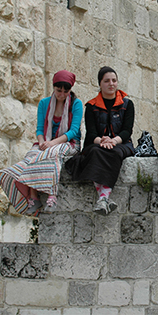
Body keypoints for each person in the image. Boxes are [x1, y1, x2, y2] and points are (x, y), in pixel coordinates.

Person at [0, 70, 83, 215]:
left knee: (52, 153)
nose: (61, 94)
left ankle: (52, 194)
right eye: (58, 90)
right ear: (54, 88)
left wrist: (51, 143)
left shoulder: (76, 104)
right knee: (32, 154)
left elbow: (73, 131)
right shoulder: (44, 103)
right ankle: (33, 197)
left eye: (65, 91)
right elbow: (39, 129)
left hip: (68, 142)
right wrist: (42, 141)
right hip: (47, 141)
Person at [65, 67, 135, 215]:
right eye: (107, 81)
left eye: (114, 80)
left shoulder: (127, 104)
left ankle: (103, 198)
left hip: (121, 143)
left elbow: (127, 130)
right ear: (100, 83)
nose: (111, 84)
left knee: (114, 153)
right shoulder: (91, 106)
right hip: (97, 143)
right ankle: (104, 198)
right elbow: (91, 133)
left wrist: (113, 141)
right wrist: (102, 141)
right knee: (96, 152)